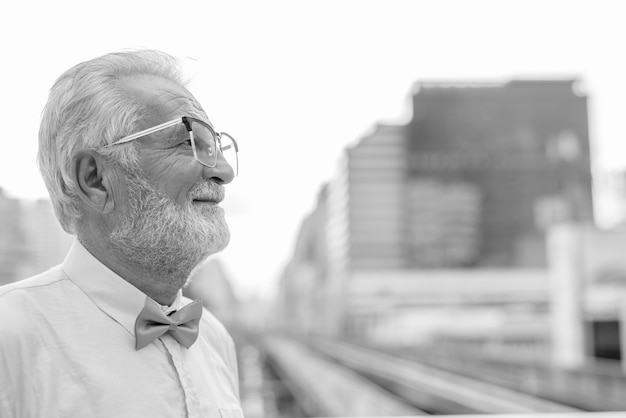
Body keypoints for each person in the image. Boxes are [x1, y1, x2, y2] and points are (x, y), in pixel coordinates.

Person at [0, 50, 243, 418]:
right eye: (188, 142)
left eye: (216, 147)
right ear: (96, 179)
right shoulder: (9, 337)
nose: (224, 171)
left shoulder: (214, 340)